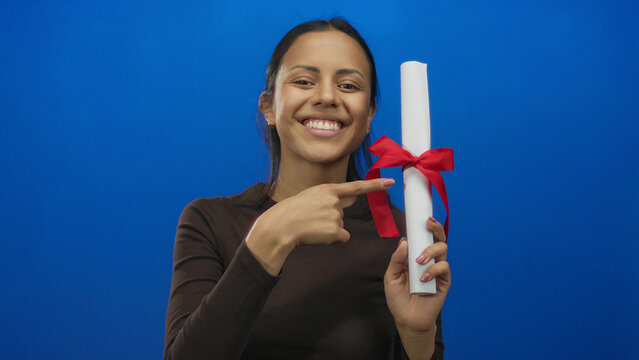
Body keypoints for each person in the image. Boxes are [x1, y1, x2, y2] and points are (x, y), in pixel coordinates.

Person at [164, 18, 450, 360]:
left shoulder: (407, 239)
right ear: (269, 106)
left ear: (370, 112)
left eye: (348, 85)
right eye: (303, 81)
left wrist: (418, 336)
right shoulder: (209, 222)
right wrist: (270, 237)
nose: (327, 96)